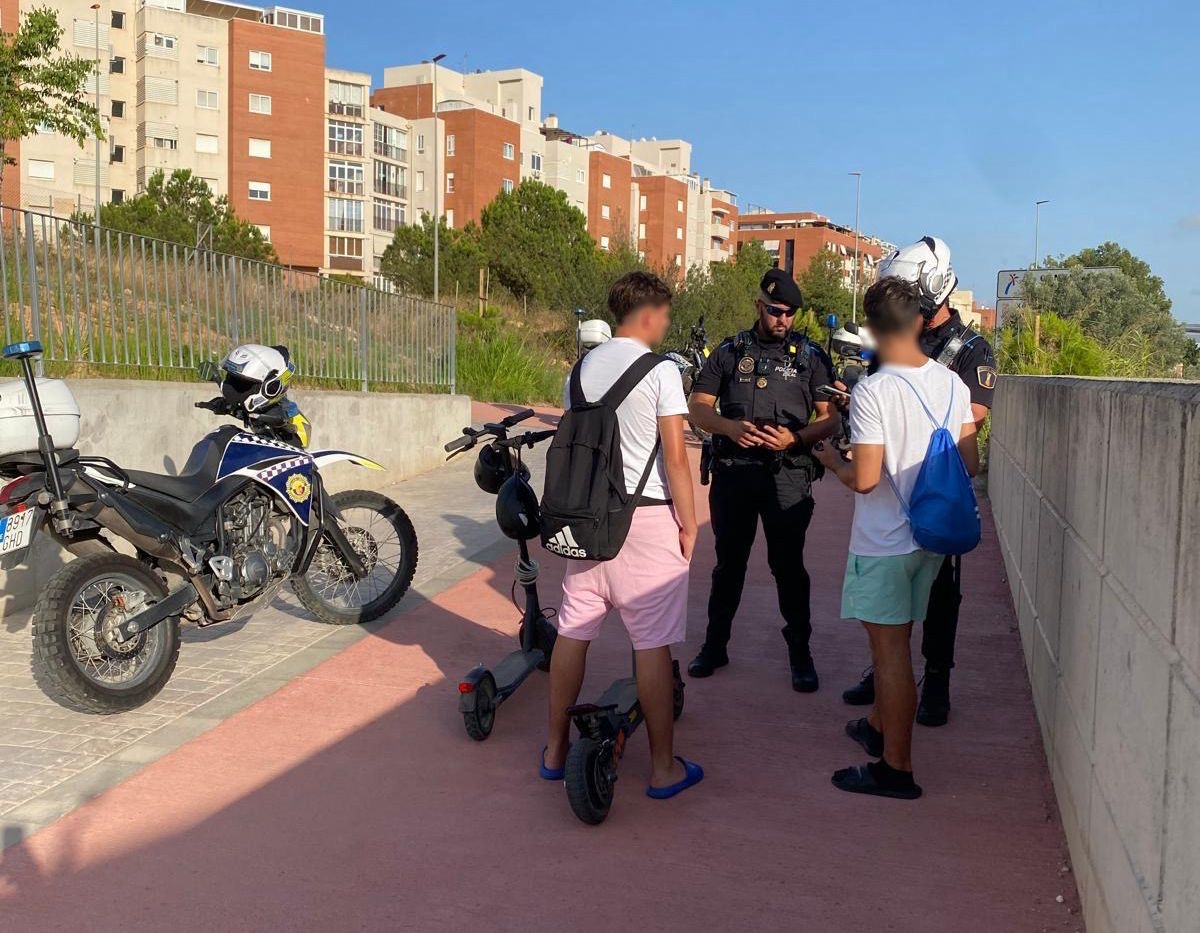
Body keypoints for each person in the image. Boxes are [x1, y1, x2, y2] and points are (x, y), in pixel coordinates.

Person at [814, 277, 979, 799]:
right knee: (900, 642)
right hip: (930, 537)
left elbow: (864, 478)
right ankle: (879, 729)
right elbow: (970, 463)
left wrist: (830, 461)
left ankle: (896, 768)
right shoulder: (953, 384)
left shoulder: (874, 390)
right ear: (915, 322)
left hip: (884, 539)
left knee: (889, 655)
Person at [543, 271, 703, 799]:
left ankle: (554, 750)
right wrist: (690, 524)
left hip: (587, 520)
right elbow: (676, 459)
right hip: (648, 519)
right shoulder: (661, 372)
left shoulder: (580, 369)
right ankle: (662, 769)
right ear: (652, 313)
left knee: (574, 630)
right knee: (651, 645)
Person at [840, 237, 996, 726]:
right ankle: (889, 684)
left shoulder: (971, 350)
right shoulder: (901, 346)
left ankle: (936, 683)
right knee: (894, 626)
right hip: (899, 495)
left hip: (932, 497)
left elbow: (972, 418)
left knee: (940, 603)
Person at [686, 268, 840, 691]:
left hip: (786, 477)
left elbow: (830, 419)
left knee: (789, 568)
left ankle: (800, 655)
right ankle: (715, 647)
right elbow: (697, 406)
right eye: (775, 311)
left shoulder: (810, 357)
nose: (782, 320)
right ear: (759, 306)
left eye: (790, 314)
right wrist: (728, 427)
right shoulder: (730, 352)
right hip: (735, 476)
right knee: (728, 566)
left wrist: (797, 438)